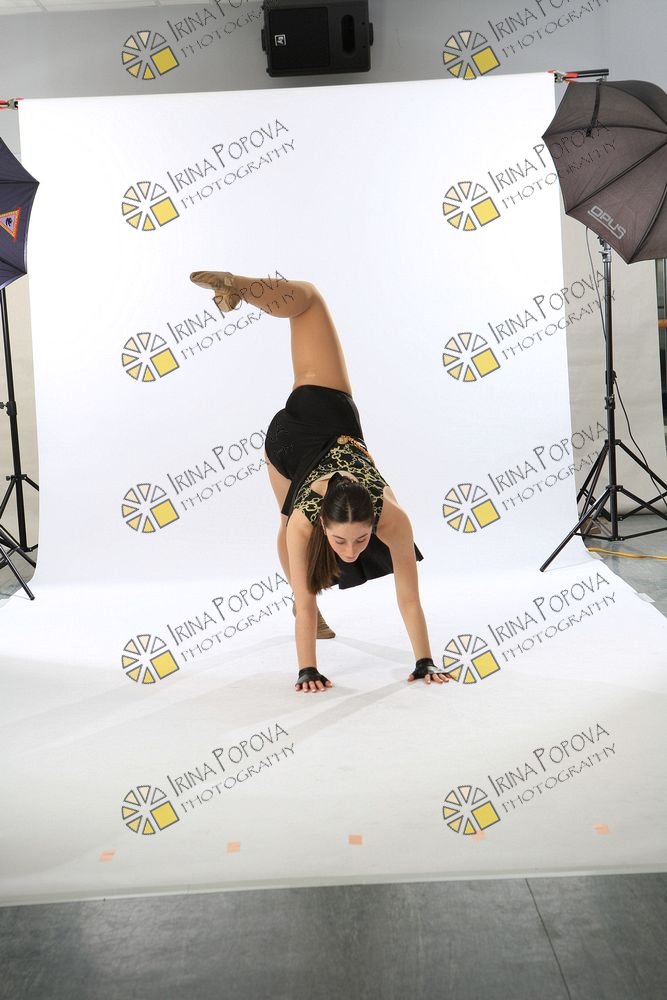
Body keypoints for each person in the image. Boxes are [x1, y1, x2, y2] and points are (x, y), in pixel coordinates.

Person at [190, 270, 452, 694]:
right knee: (309, 300)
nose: (350, 551)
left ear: (375, 522)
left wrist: (425, 661)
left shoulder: (393, 518)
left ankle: (242, 289)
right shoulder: (307, 517)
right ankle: (237, 285)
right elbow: (307, 602)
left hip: (286, 453)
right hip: (321, 412)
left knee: (308, 302)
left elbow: (409, 598)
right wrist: (307, 670)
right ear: (323, 522)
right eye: (342, 541)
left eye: (360, 540)